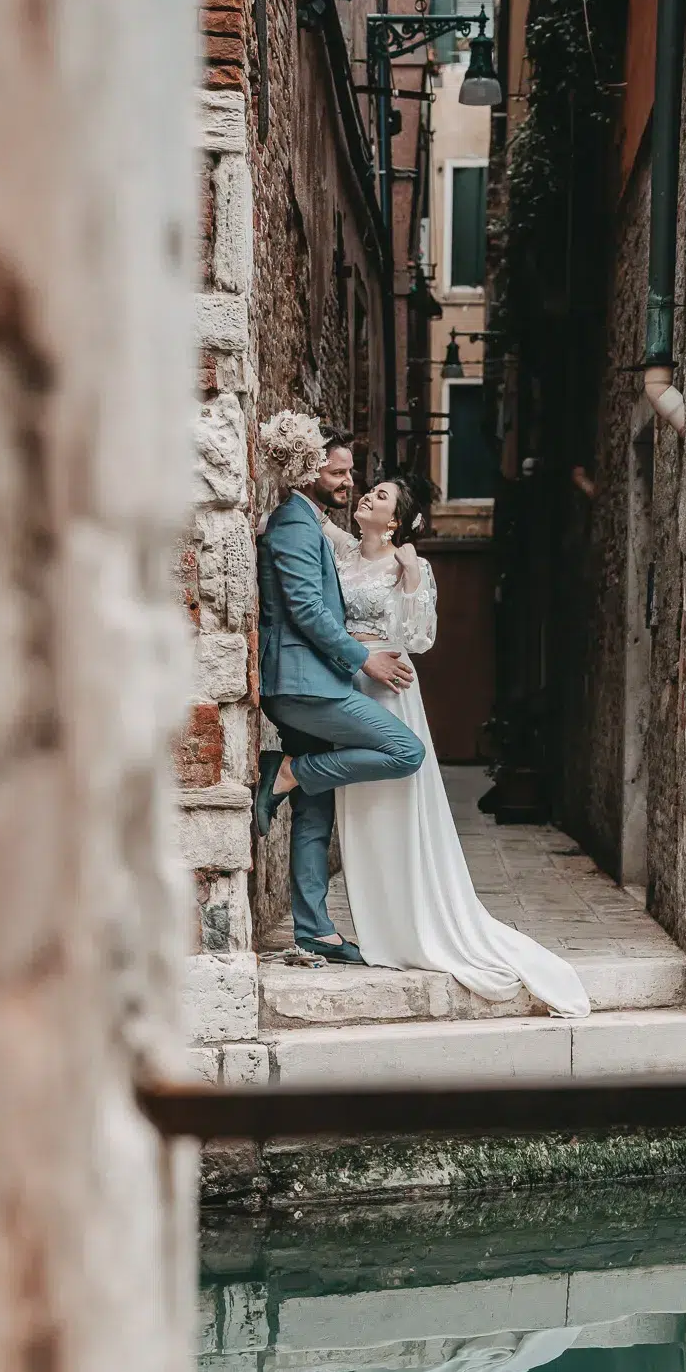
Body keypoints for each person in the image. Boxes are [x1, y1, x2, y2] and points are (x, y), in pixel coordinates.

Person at [331, 474, 590, 1016]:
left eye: (379, 496)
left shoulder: (410, 566)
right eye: (368, 489)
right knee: (358, 807)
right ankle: (378, 925)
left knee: (395, 801)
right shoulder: (339, 551)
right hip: (346, 683)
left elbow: (420, 638)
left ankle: (415, 928)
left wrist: (406, 580)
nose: (366, 496)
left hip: (389, 687)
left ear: (396, 520)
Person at [255, 413, 425, 965]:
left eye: (352, 474)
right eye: (339, 473)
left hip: (311, 679)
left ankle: (314, 929)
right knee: (404, 751)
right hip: (305, 684)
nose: (348, 482)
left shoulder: (310, 523)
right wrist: (363, 659)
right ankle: (285, 771)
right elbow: (304, 608)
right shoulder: (296, 526)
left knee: (315, 811)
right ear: (307, 471)